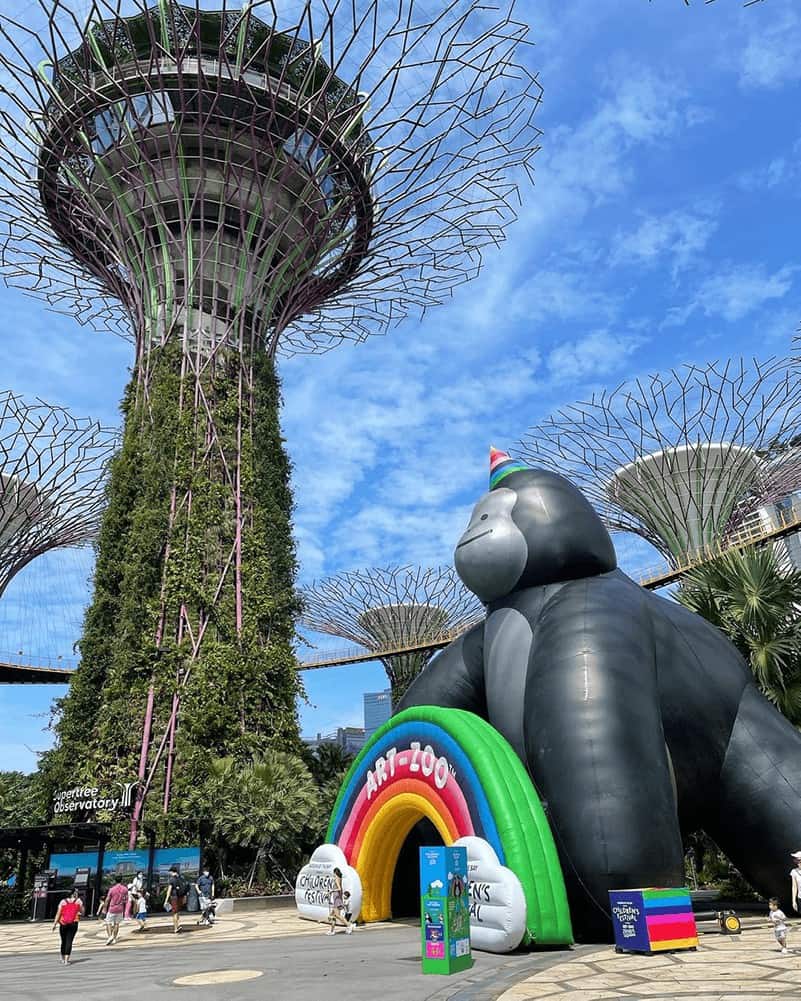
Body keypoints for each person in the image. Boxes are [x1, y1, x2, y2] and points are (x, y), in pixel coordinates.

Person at [52, 888, 84, 965]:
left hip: (63, 923)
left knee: (63, 941)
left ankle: (62, 958)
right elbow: (82, 912)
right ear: (73, 893)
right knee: (69, 940)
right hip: (74, 922)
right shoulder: (78, 901)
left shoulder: (63, 902)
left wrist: (55, 923)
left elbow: (58, 913)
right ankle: (67, 960)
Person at [99, 877, 129, 945]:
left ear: (115, 881)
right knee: (116, 924)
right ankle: (114, 938)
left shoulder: (112, 889)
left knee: (108, 923)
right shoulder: (125, 889)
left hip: (112, 908)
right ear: (122, 880)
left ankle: (110, 936)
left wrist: (104, 908)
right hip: (120, 908)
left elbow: (107, 899)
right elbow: (126, 900)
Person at [327, 867, 352, 935]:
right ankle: (332, 930)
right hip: (337, 898)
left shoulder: (336, 878)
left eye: (333, 873)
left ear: (335, 872)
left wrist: (331, 891)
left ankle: (349, 925)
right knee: (333, 915)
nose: (333, 874)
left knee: (337, 915)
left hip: (337, 899)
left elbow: (339, 888)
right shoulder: (339, 878)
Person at [163, 867, 187, 934]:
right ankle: (178, 926)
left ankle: (175, 928)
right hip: (180, 897)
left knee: (174, 913)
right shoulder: (180, 878)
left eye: (170, 872)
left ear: (172, 871)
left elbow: (169, 890)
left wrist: (166, 900)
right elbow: (184, 887)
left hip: (174, 897)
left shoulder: (172, 879)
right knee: (177, 912)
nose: (169, 873)